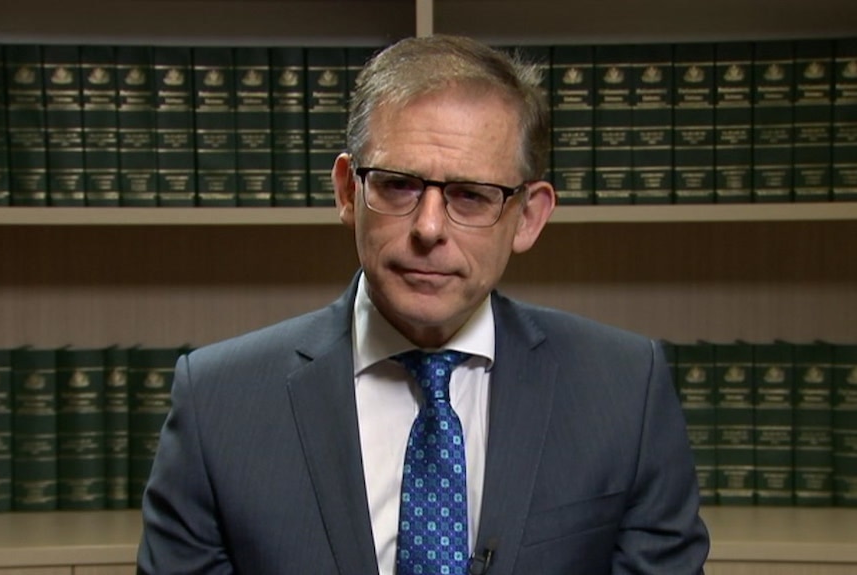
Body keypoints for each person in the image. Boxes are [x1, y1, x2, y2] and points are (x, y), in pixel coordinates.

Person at [137, 34, 709, 574]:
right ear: (347, 192)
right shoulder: (217, 404)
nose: (429, 228)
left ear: (528, 217)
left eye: (471, 195)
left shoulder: (627, 389)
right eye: (397, 185)